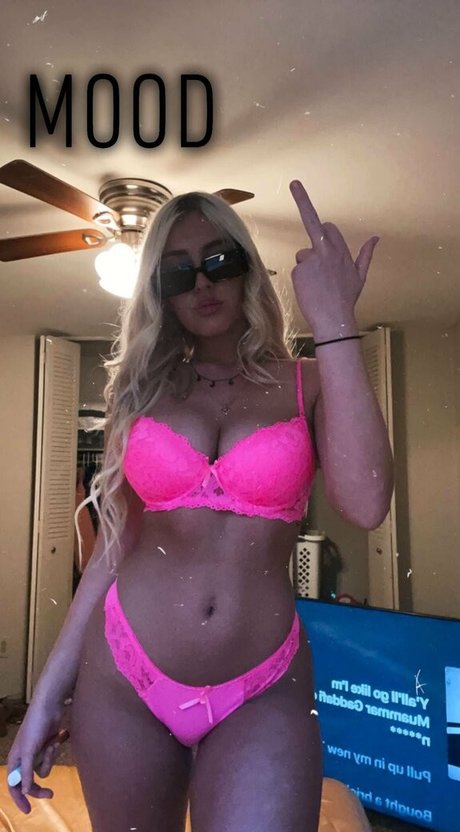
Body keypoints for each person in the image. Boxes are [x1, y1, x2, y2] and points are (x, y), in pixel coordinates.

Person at [7, 179, 394, 831]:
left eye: (219, 259)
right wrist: (47, 693)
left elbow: (367, 504)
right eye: (178, 272)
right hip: (124, 677)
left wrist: (336, 324)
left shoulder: (309, 381)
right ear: (159, 292)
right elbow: (112, 548)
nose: (203, 284)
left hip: (261, 687)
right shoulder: (142, 391)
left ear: (247, 266)